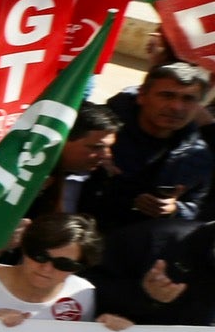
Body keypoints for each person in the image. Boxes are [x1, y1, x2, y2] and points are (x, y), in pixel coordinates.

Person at [82, 64, 214, 244]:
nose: (177, 107)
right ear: (142, 95)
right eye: (167, 95)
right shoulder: (98, 131)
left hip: (133, 251)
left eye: (188, 99)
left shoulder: (199, 157)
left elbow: (196, 210)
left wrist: (174, 209)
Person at [0, 214, 114, 326]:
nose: (46, 268)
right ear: (24, 248)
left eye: (64, 264)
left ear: (79, 267)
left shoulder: (83, 292)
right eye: (39, 256)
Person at [31, 104, 121, 221]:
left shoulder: (101, 177)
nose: (106, 155)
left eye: (109, 147)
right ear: (63, 140)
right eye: (96, 147)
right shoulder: (27, 173)